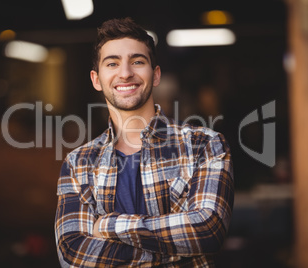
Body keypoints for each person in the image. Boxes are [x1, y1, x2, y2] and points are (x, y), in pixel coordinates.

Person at [55, 17, 234, 267]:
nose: (126, 73)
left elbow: (207, 230)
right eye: (112, 63)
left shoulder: (204, 145)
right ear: (96, 80)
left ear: (156, 74)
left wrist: (107, 225)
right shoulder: (78, 163)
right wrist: (174, 252)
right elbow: (72, 251)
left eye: (137, 61)